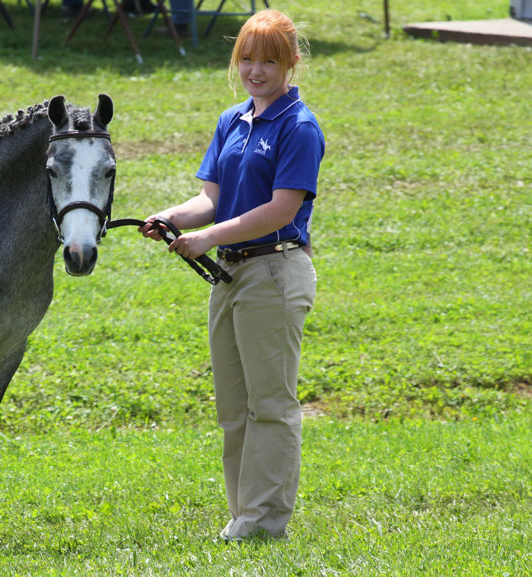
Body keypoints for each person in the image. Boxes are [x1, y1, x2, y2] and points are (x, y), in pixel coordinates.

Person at [140, 9, 324, 541]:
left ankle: (265, 521)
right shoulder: (232, 120)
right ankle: (245, 513)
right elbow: (210, 199)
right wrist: (172, 219)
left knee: (271, 404)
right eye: (247, 57)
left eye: (268, 60)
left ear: (290, 63)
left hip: (274, 271)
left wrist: (210, 237)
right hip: (230, 274)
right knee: (234, 406)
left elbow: (280, 210)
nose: (255, 69)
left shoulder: (299, 126)